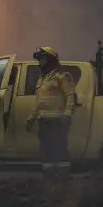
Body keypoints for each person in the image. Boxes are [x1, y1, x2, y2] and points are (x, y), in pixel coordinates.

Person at [25, 47, 76, 177]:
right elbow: (39, 102)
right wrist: (32, 119)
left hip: (58, 119)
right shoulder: (42, 80)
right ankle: (49, 180)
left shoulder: (62, 76)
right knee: (46, 151)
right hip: (44, 120)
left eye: (42, 58)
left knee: (59, 151)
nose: (39, 62)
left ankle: (63, 181)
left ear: (51, 60)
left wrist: (67, 114)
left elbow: (70, 96)